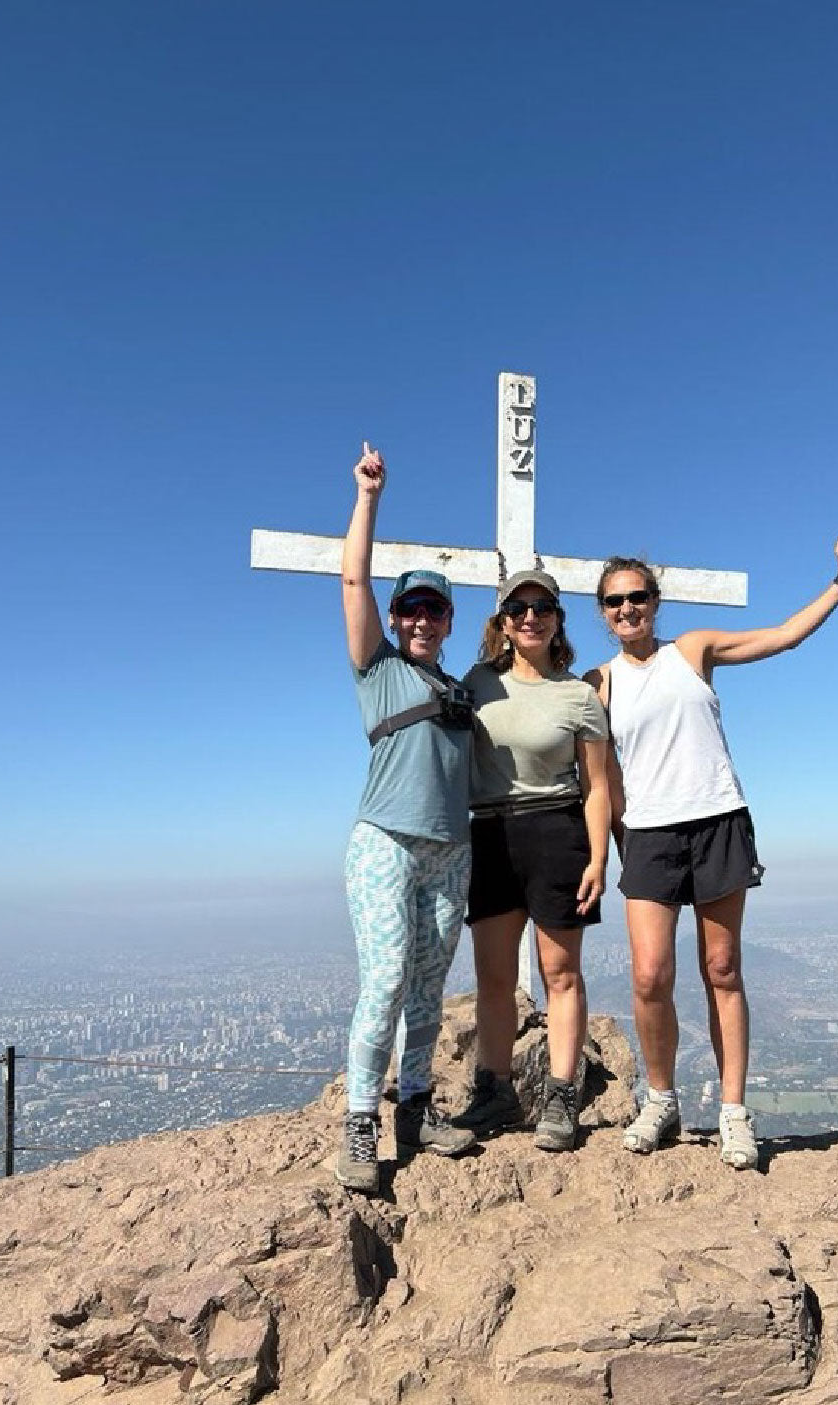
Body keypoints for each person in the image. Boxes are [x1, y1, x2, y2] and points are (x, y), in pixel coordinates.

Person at [585, 536, 838, 1170]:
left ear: (655, 601)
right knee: (649, 976)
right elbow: (603, 778)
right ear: (602, 611)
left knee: (723, 968)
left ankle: (733, 1111)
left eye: (637, 597)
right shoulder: (598, 683)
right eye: (615, 601)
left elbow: (783, 636)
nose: (627, 609)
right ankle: (661, 1099)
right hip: (649, 835)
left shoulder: (692, 650)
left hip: (716, 820)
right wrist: (614, 846)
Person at [335, 442, 477, 1194]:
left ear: (450, 620)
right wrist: (369, 497)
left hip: (450, 851)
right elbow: (352, 579)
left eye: (434, 609)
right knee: (386, 978)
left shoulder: (461, 688)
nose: (422, 619)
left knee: (427, 988)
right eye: (411, 609)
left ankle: (415, 1106)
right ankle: (362, 1119)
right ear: (395, 618)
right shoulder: (378, 668)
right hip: (385, 842)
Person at [454, 571, 610, 1152]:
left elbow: (597, 786)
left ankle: (562, 1094)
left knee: (561, 974)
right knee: (493, 977)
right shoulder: (477, 684)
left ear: (557, 620)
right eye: (518, 608)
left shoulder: (578, 696)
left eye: (542, 607)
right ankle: (494, 1091)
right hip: (491, 833)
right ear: (502, 622)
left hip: (557, 833)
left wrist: (598, 858)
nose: (530, 617)